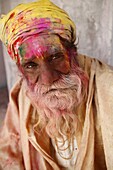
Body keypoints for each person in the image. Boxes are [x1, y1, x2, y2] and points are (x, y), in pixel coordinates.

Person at [0, 0, 113, 169]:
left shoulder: (108, 87)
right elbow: (9, 152)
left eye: (55, 57)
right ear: (21, 69)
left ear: (72, 52)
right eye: (31, 65)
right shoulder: (21, 94)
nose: (48, 79)